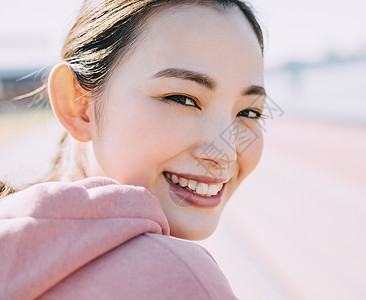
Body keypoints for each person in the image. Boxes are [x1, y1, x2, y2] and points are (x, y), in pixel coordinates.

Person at [0, 0, 266, 299]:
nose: (225, 153)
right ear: (78, 103)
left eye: (249, 113)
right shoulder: (178, 278)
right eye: (182, 98)